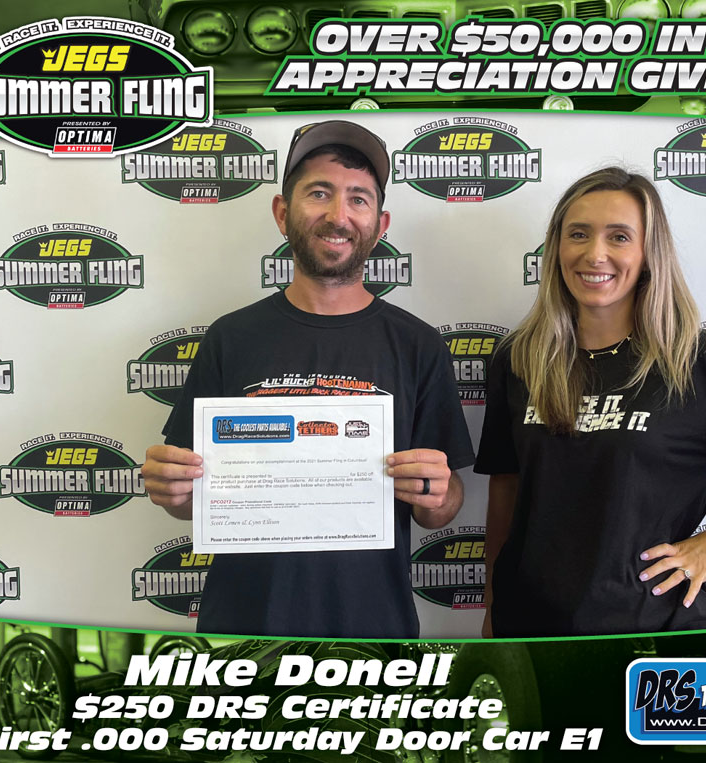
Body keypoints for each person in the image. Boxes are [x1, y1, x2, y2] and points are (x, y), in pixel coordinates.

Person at [475, 167, 706, 638]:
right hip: (528, 626)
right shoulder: (520, 358)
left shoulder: (698, 362)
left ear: (649, 253)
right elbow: (505, 491)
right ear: (556, 248)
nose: (595, 253)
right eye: (578, 234)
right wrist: (492, 605)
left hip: (652, 631)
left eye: (619, 237)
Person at [142, 120, 475, 638]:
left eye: (358, 199)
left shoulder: (418, 344)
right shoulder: (231, 338)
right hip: (244, 631)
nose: (338, 215)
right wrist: (173, 489)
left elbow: (442, 509)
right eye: (319, 193)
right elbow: (188, 501)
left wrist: (438, 494)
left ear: (380, 224)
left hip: (374, 630)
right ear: (283, 213)